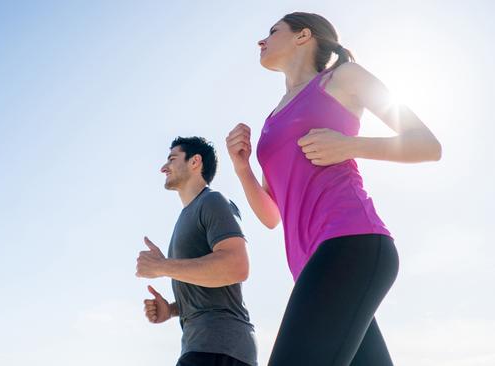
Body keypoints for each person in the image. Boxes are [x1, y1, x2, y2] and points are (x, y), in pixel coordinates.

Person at [226, 12, 441, 366]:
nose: (261, 41)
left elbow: (427, 145)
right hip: (313, 266)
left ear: (303, 35)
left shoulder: (343, 78)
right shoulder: (272, 120)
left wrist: (349, 146)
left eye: (272, 31)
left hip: (352, 242)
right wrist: (242, 168)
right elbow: (271, 215)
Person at [136, 136, 258, 366]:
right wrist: (172, 310)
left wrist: (162, 266)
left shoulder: (213, 201)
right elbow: (211, 292)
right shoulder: (186, 216)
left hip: (220, 348)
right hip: (204, 347)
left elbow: (236, 266)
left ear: (195, 162)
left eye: (172, 159)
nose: (164, 167)